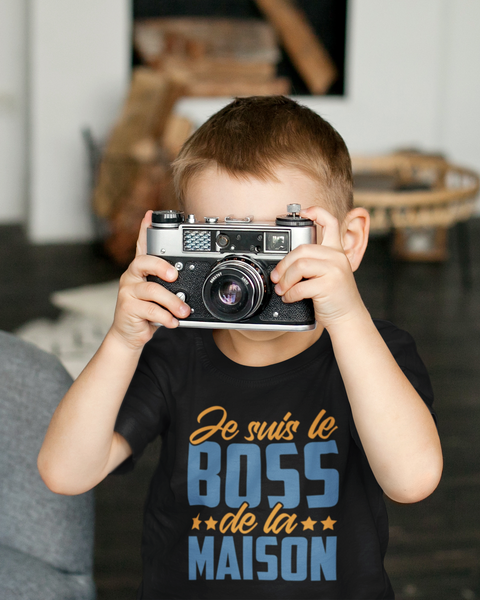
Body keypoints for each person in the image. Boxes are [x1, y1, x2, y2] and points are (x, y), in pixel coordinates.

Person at [38, 96, 443, 599]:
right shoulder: (173, 352)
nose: (244, 272)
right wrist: (124, 340)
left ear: (349, 241)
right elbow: (64, 472)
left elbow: (412, 480)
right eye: (223, 240)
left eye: (276, 240)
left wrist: (347, 316)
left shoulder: (374, 352)